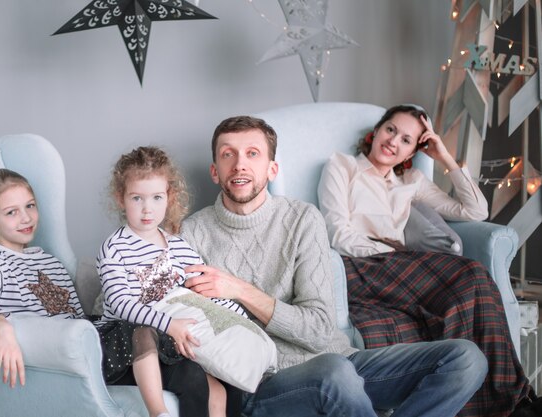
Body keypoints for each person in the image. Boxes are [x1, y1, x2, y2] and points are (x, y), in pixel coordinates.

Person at [180, 115, 488, 417]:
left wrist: (241, 290)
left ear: (272, 169)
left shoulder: (302, 218)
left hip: (341, 363)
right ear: (215, 172)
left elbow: (317, 330)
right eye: (227, 154)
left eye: (252, 154)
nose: (239, 164)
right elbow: (193, 333)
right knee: (334, 372)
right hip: (262, 383)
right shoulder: (192, 233)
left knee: (466, 359)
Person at [317, 104, 535, 416]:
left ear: (411, 153)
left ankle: (485, 404)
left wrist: (444, 156)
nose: (394, 141)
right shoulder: (341, 167)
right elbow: (336, 232)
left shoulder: (412, 183)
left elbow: (475, 211)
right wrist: (389, 254)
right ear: (376, 132)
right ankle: (516, 401)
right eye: (391, 129)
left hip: (401, 268)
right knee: (471, 272)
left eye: (407, 140)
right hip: (358, 266)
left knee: (463, 295)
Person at [96, 146, 244, 417]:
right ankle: (158, 412)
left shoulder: (178, 247)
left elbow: (205, 289)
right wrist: (169, 324)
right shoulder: (115, 248)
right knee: (142, 331)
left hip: (170, 339)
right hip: (123, 343)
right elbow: (119, 303)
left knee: (222, 387)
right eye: (137, 198)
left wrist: (237, 319)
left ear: (169, 197)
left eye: (156, 197)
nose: (147, 209)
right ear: (121, 198)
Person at [0, 168, 83, 388]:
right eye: (11, 212)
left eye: (30, 206)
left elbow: (78, 318)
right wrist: (2, 326)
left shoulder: (51, 262)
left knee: (146, 335)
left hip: (84, 345)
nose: (26, 218)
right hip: (58, 355)